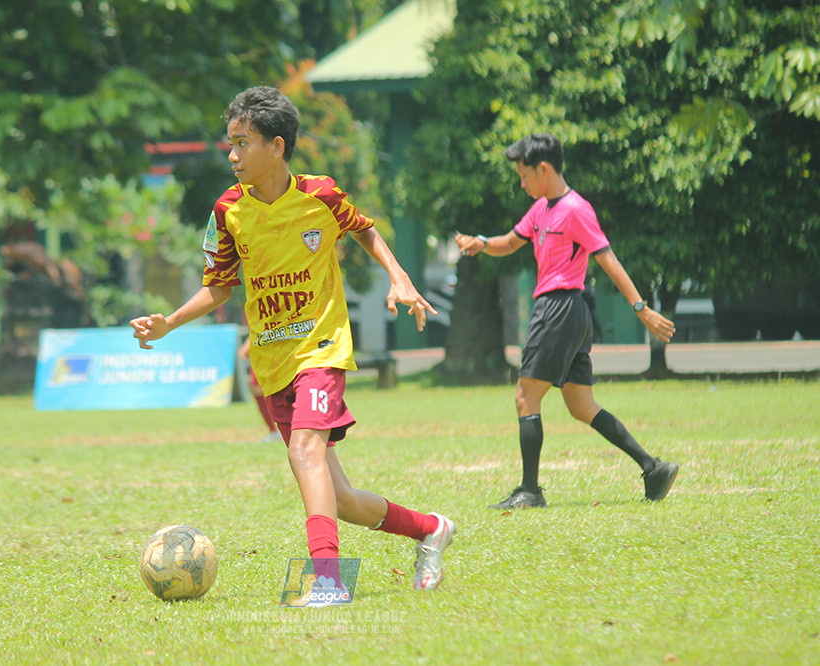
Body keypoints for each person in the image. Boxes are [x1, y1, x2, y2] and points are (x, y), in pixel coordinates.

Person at [131, 86, 454, 591]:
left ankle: (326, 580)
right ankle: (431, 530)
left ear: (276, 146)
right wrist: (170, 322)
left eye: (242, 142)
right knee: (340, 498)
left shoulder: (320, 195)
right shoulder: (228, 212)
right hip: (273, 359)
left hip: (321, 347)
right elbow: (218, 288)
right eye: (230, 143)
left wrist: (400, 276)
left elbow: (364, 229)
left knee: (306, 452)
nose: (232, 155)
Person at [455, 132, 679, 508]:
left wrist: (642, 309)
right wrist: (481, 242)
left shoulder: (576, 209)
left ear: (544, 169)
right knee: (580, 405)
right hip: (571, 314)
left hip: (559, 308)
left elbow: (608, 259)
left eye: (524, 175)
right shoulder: (541, 209)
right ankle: (653, 468)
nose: (521, 182)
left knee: (526, 397)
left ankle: (529, 491)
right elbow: (510, 242)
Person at [238, 336, 282, 442]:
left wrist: (247, 346)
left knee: (260, 389)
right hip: (261, 351)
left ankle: (278, 431)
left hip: (266, 350)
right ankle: (274, 431)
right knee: (257, 390)